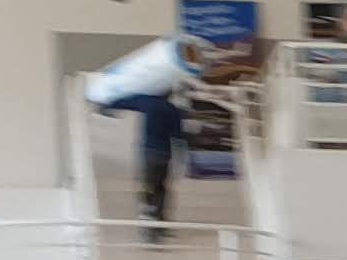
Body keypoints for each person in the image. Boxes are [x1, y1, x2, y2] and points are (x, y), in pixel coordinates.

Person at [81, 31, 246, 227]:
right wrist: (185, 152)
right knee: (161, 187)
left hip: (148, 152)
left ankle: (149, 216)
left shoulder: (150, 103)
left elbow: (126, 101)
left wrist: (107, 105)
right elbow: (179, 135)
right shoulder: (171, 109)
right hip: (164, 155)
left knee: (149, 184)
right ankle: (158, 220)